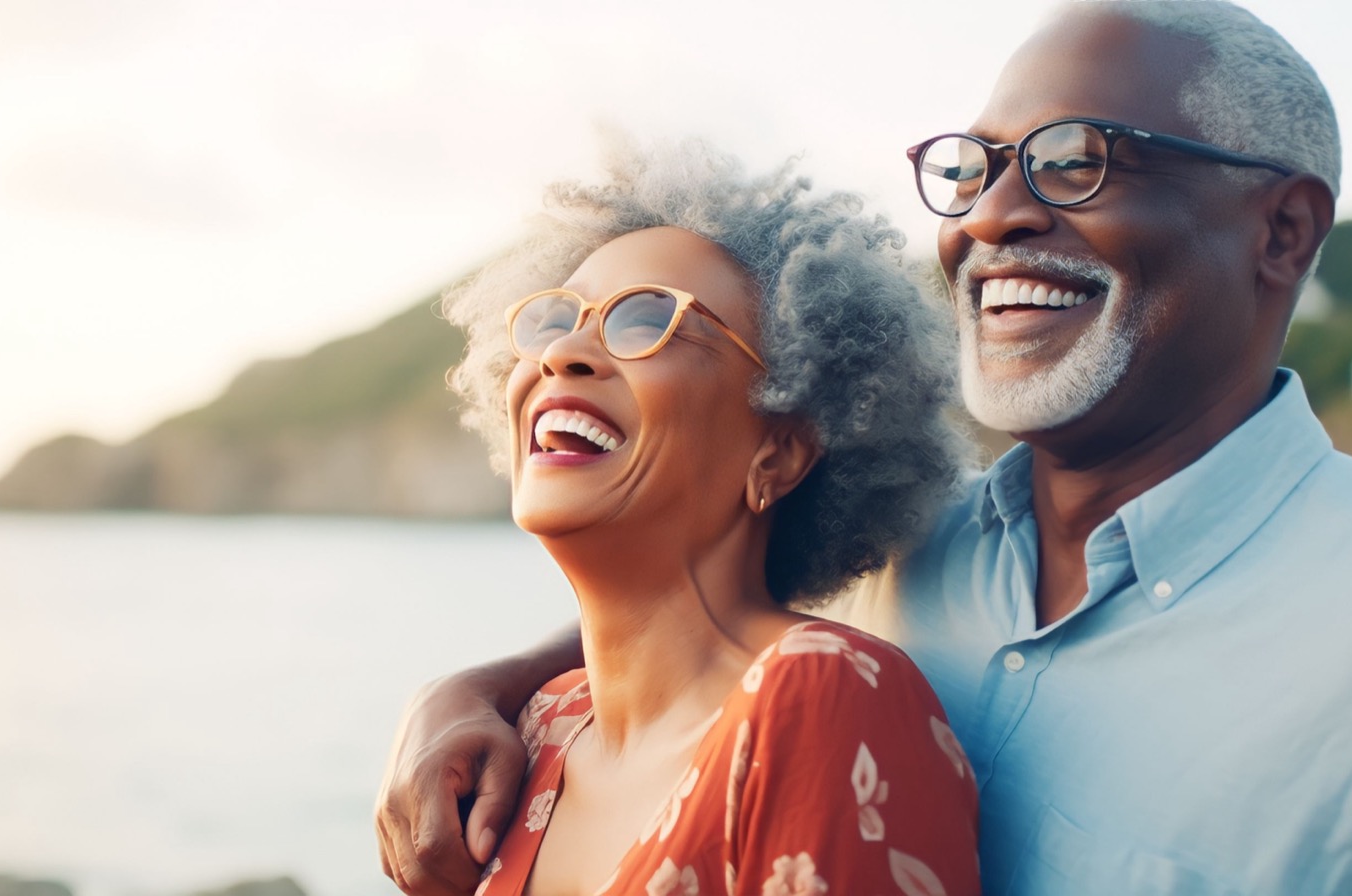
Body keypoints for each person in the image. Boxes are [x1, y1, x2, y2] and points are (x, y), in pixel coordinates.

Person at [377, 3, 1352, 894]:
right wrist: (478, 686)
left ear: (1283, 230)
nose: (991, 214)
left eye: (1076, 159)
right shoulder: (893, 549)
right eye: (976, 166)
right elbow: (683, 625)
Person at [381, 142, 980, 896]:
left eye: (648, 320)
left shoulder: (822, 697)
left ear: (779, 453)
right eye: (556, 320)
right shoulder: (536, 729)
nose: (567, 351)